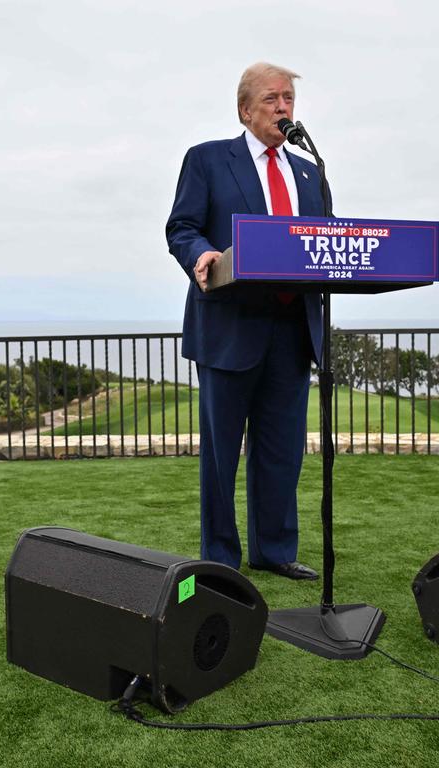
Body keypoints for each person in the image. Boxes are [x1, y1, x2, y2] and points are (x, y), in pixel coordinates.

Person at [165, 62, 326, 580]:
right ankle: (220, 560)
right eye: (272, 100)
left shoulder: (309, 171)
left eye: (289, 100)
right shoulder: (209, 160)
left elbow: (324, 245)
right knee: (220, 457)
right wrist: (202, 254)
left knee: (282, 451)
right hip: (229, 328)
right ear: (245, 110)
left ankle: (274, 551)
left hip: (292, 331)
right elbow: (182, 227)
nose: (284, 108)